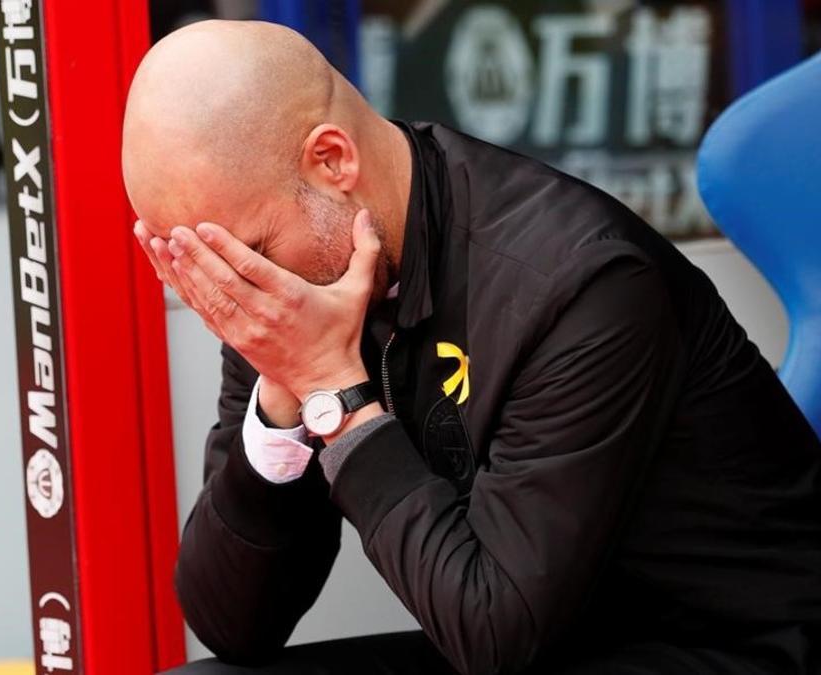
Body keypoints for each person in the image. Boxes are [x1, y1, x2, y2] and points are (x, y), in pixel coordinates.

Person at [121, 20, 821, 675]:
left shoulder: (578, 284)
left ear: (332, 160)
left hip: (726, 647)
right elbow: (234, 625)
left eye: (248, 253)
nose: (239, 289)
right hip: (550, 638)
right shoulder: (289, 281)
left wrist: (335, 392)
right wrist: (282, 401)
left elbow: (494, 631)